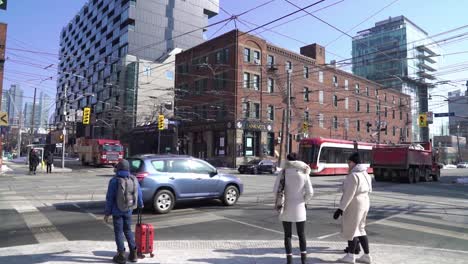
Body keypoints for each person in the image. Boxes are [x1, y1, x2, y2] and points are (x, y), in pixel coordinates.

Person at [273, 153, 313, 264]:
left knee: (287, 235)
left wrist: (280, 200)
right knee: (302, 234)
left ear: (287, 160)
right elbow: (310, 192)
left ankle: (289, 260)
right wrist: (303, 200)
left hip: (286, 206)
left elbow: (275, 190)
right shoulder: (304, 172)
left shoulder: (283, 172)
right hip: (300, 206)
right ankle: (303, 260)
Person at [333, 152, 373, 264]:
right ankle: (367, 255)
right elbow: (370, 189)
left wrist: (340, 209)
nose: (348, 165)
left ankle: (350, 256)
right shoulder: (365, 174)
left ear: (354, 163)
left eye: (349, 162)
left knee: (352, 229)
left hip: (355, 203)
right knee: (361, 228)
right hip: (365, 201)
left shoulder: (353, 175)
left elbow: (348, 194)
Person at [104, 160, 144, 264]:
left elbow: (110, 198)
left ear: (118, 168)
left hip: (117, 211)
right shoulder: (133, 179)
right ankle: (133, 254)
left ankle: (121, 255)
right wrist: (140, 204)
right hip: (128, 210)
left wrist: (107, 213)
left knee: (119, 232)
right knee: (128, 230)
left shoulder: (114, 181)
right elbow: (139, 193)